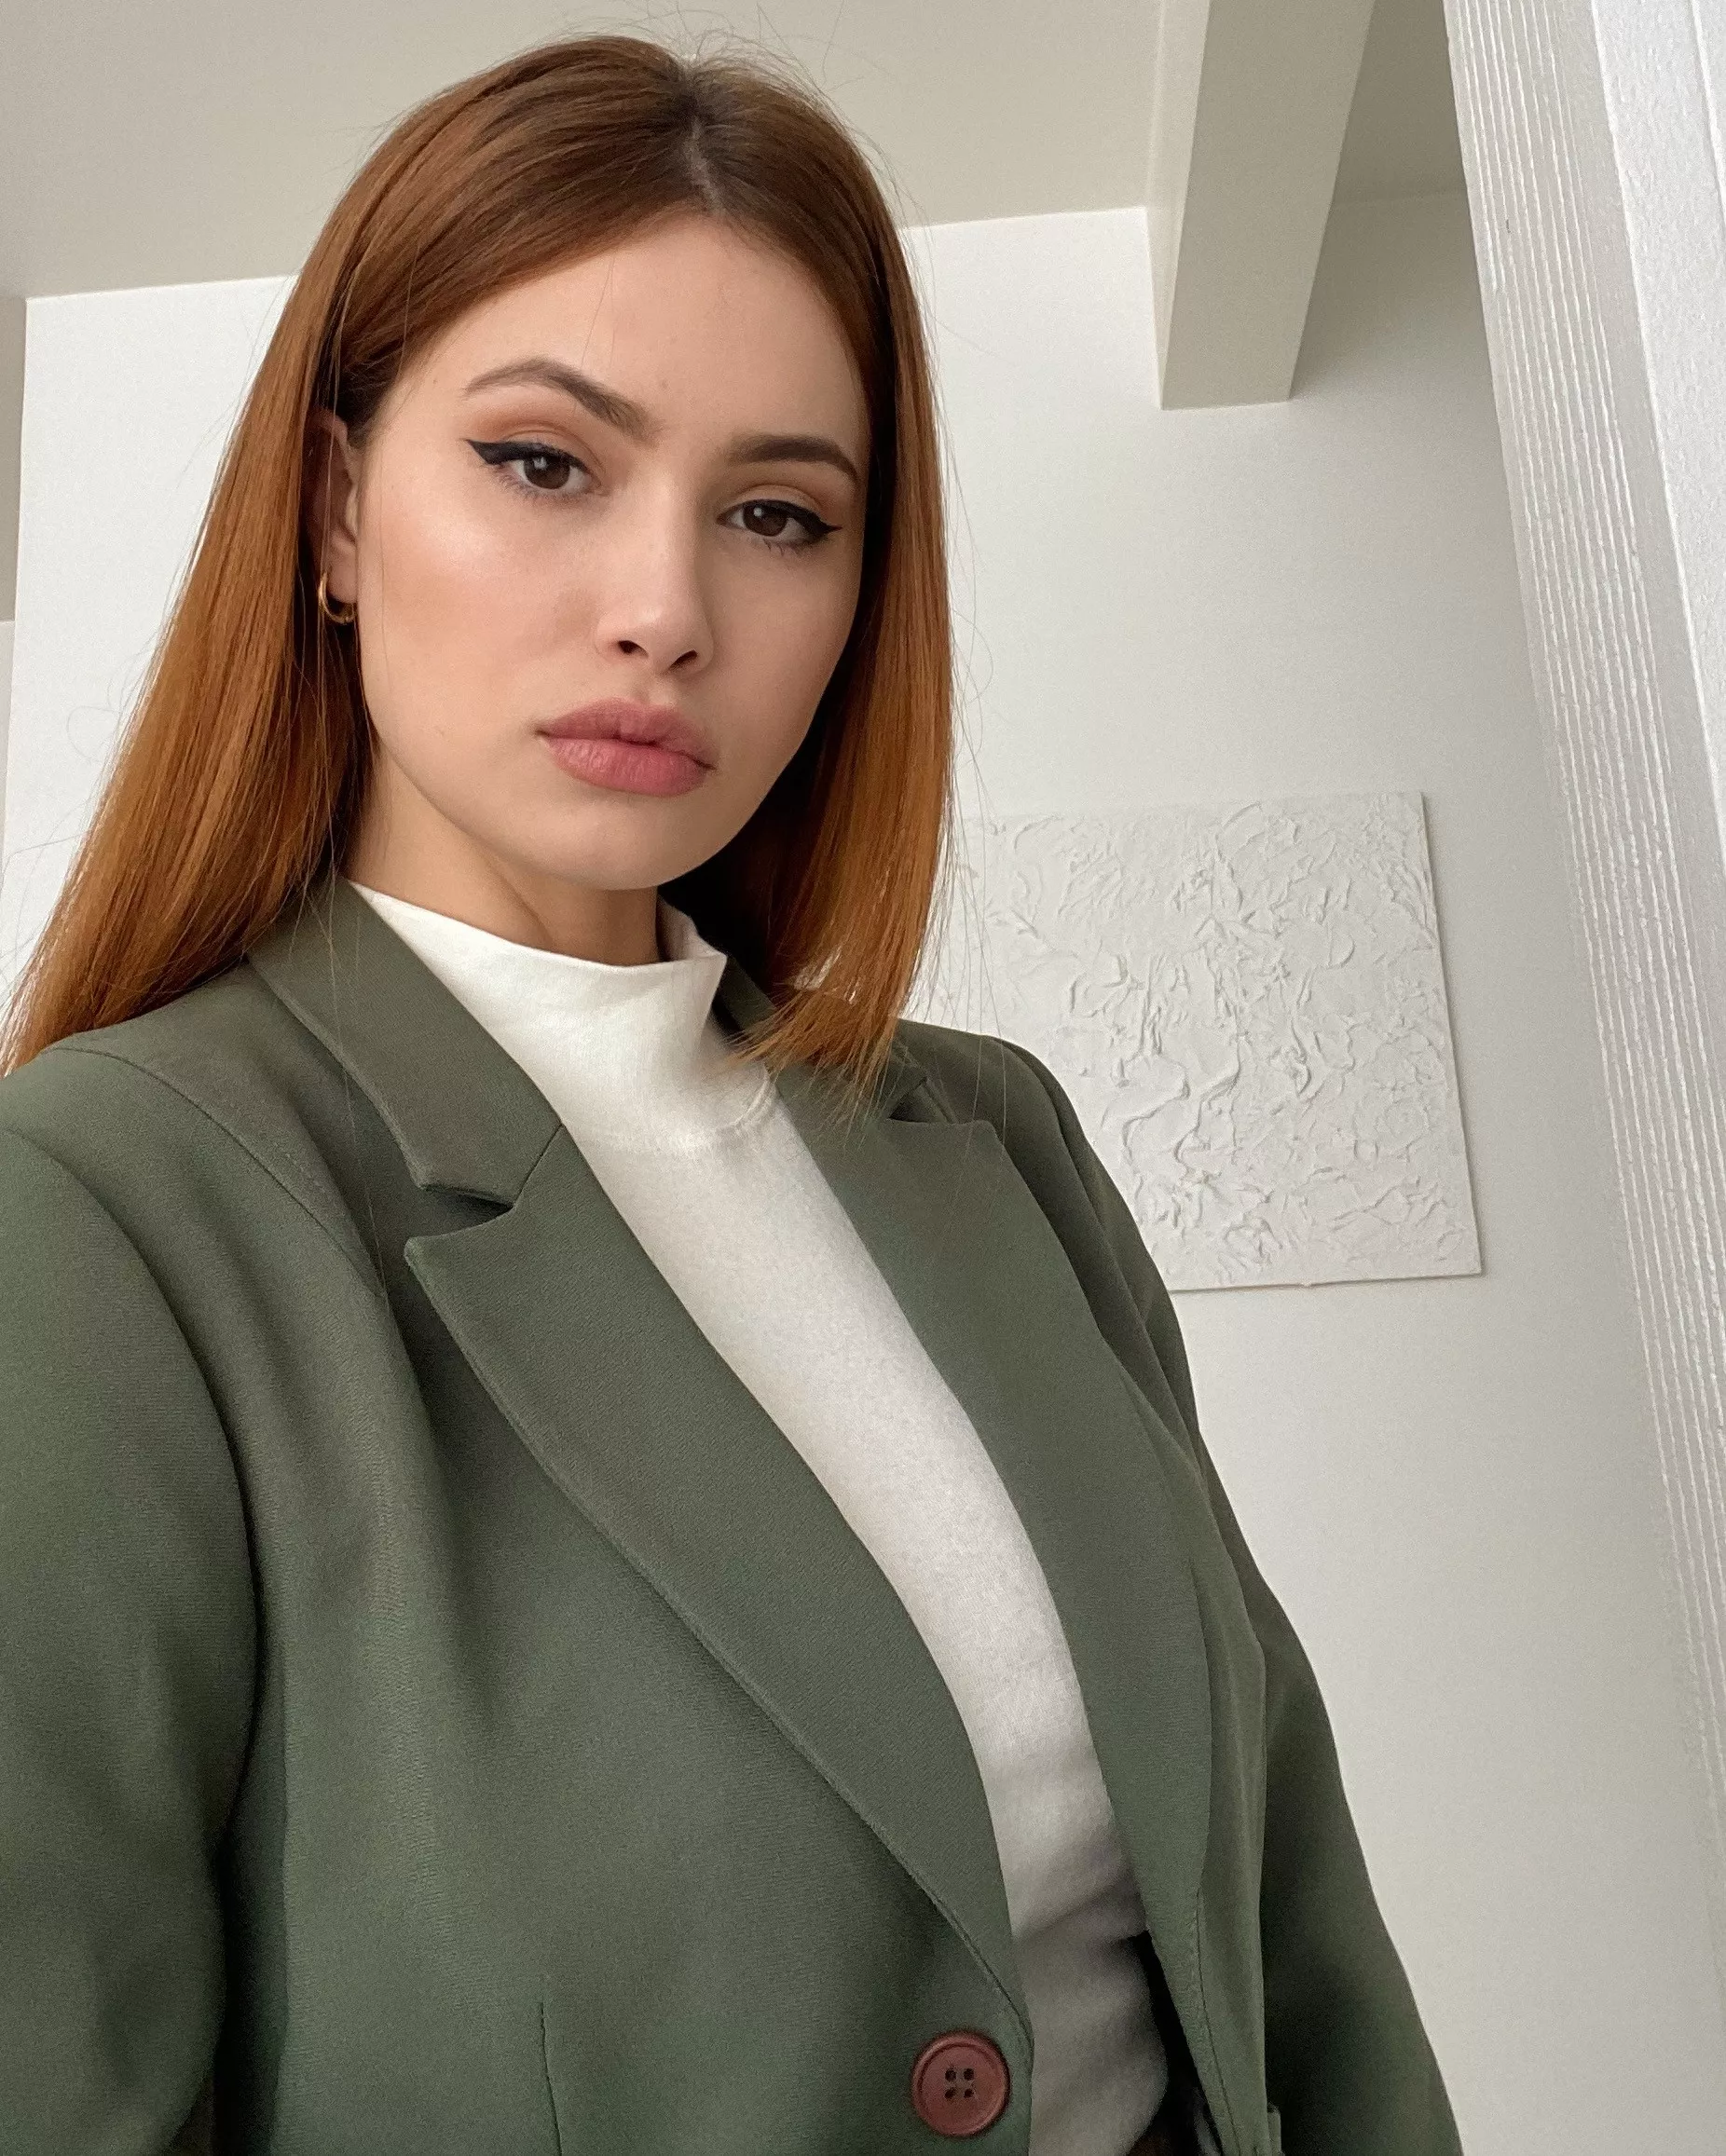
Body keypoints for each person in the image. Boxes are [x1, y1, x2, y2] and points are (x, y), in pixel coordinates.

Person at [0, 34, 1463, 2156]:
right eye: (542, 463)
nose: (664, 612)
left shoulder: (999, 1145)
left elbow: (1290, 1930)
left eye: (778, 514)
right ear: (335, 510)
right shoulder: (109, 1212)